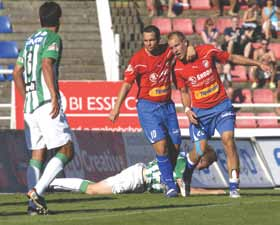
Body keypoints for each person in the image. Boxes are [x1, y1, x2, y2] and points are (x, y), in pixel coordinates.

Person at [167, 31, 271, 198]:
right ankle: (186, 173)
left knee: (228, 139)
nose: (175, 50)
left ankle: (234, 185)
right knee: (200, 150)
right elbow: (184, 91)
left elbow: (232, 58)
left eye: (177, 45)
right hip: (200, 113)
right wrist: (187, 110)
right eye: (171, 48)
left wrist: (257, 64)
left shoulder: (207, 51)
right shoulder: (177, 68)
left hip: (222, 106)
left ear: (185, 42)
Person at [109, 25, 195, 198]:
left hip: (167, 106)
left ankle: (166, 177)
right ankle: (170, 185)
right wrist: (116, 108)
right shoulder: (138, 59)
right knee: (161, 146)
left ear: (158, 40)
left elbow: (181, 45)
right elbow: (127, 84)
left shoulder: (167, 51)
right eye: (146, 40)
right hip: (148, 107)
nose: (148, 44)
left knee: (176, 145)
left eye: (152, 40)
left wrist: (191, 45)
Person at [13, 2, 74, 215]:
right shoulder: (53, 38)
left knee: (37, 155)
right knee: (67, 149)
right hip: (46, 102)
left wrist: (26, 97)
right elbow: (47, 64)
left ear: (40, 19)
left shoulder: (30, 41)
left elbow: (16, 73)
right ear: (59, 19)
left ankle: (33, 206)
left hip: (30, 106)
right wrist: (54, 95)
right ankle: (37, 192)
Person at [49, 148, 225, 197]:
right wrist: (215, 192)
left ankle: (51, 183)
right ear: (201, 159)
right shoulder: (182, 161)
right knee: (93, 189)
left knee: (94, 188)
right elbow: (186, 190)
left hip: (140, 183)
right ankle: (51, 182)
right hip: (137, 178)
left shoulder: (182, 161)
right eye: (206, 164)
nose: (206, 168)